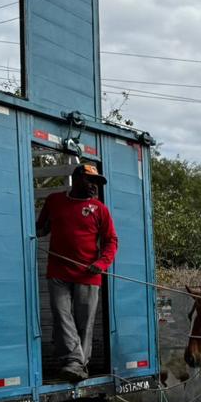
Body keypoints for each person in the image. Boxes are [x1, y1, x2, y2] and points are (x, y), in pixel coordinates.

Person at [36, 163, 118, 382]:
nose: (94, 187)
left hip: (88, 274)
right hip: (58, 270)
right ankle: (75, 361)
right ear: (76, 179)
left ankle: (79, 364)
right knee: (61, 314)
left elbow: (111, 241)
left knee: (84, 322)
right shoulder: (55, 200)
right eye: (90, 181)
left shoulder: (100, 209)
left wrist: (101, 264)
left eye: (97, 183)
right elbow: (41, 228)